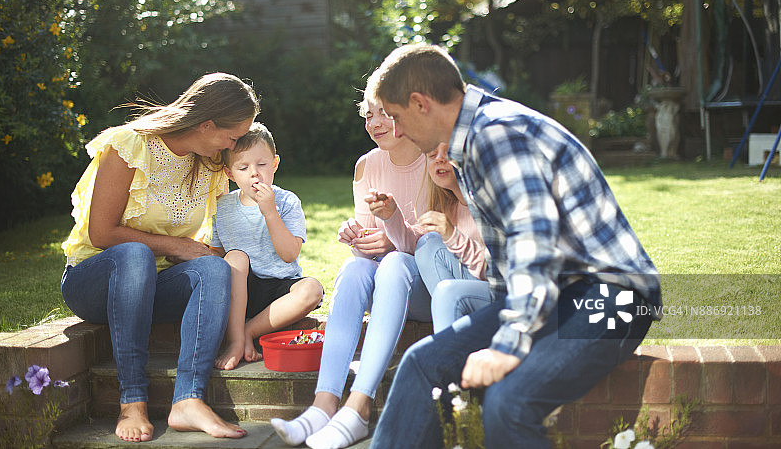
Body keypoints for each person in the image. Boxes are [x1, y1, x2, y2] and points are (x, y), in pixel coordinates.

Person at [366, 44, 662, 448]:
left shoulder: (497, 135)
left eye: (396, 117)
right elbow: (508, 266)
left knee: (509, 402)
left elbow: (533, 244)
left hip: (614, 296)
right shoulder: (470, 141)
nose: (395, 131)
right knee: (422, 363)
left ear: (420, 104)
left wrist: (509, 343)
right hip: (557, 295)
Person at [60, 72, 259, 443]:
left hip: (152, 285)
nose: (234, 146)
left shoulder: (208, 163)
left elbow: (200, 243)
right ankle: (131, 400)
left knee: (212, 269)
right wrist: (177, 246)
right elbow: (101, 233)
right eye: (231, 137)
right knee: (134, 255)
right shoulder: (130, 146)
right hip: (94, 282)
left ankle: (188, 399)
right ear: (207, 124)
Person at [270, 94, 430, 449]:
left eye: (384, 114)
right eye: (368, 115)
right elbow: (370, 242)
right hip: (387, 282)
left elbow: (437, 247)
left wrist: (391, 241)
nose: (374, 124)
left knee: (396, 261)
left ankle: (359, 406)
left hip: (425, 287)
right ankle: (323, 405)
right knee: (356, 266)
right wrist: (356, 237)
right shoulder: (366, 165)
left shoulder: (434, 160)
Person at [210, 122, 324, 370]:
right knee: (236, 258)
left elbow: (289, 254)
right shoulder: (222, 207)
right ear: (230, 173)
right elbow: (216, 255)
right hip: (241, 290)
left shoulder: (286, 202)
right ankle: (235, 340)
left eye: (261, 164)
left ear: (274, 163)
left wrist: (270, 212)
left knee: (312, 289)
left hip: (280, 287)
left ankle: (247, 332)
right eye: (243, 167)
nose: (254, 173)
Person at [414, 142, 490, 333]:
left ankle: (454, 350)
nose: (439, 158)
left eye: (448, 153)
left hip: (509, 296)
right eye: (432, 154)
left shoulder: (489, 201)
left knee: (448, 292)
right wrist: (390, 217)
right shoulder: (449, 207)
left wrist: (452, 236)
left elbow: (499, 272)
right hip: (474, 297)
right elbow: (412, 240)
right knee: (428, 244)